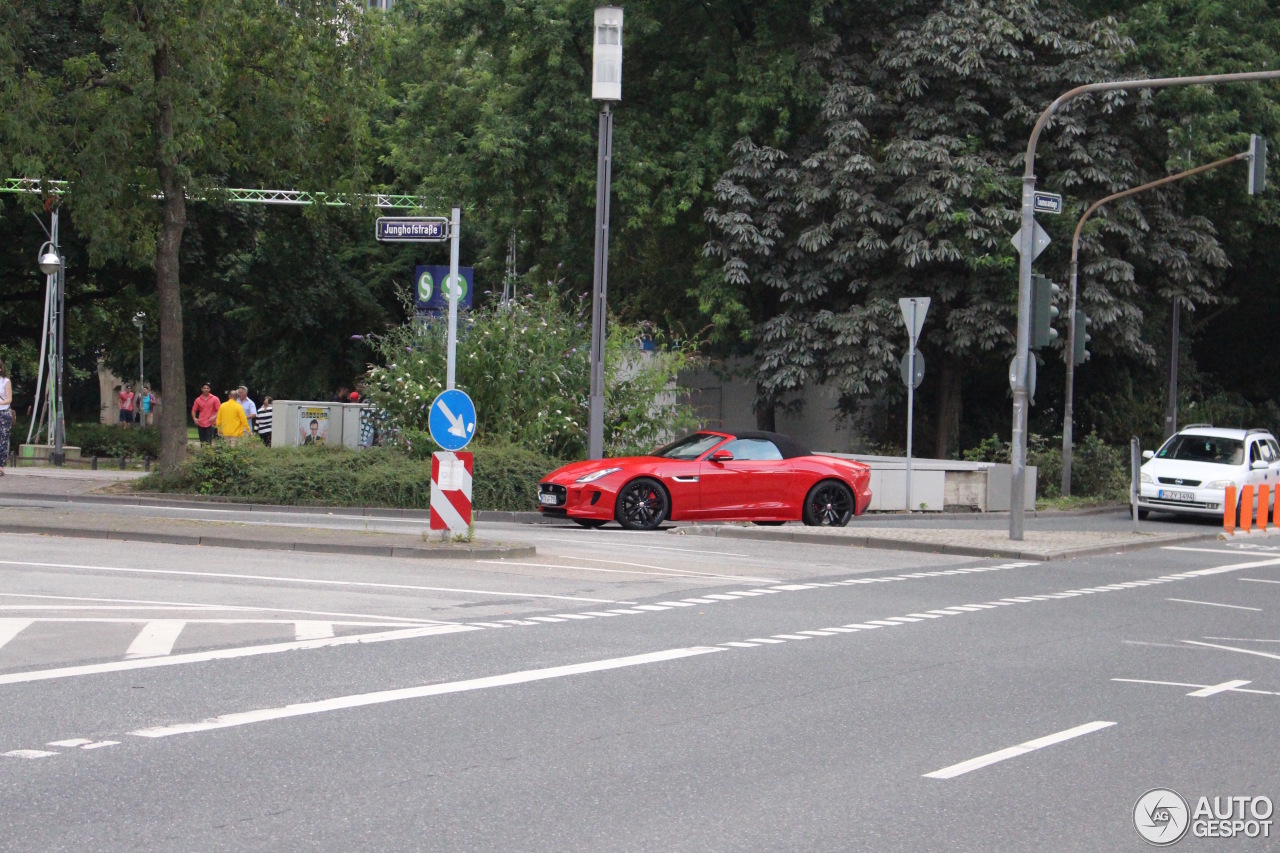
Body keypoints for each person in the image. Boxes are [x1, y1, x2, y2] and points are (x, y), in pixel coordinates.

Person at [0, 359, 12, 476]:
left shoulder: (5, 381)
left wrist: (1, 403)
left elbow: (9, 399)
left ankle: (1, 466)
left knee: (3, 439)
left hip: (3, 412)